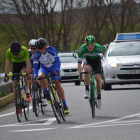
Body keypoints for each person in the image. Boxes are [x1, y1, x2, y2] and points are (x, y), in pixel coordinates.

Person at [33, 38, 69, 114]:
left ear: (45, 46)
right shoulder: (36, 54)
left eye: (41, 48)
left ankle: (65, 105)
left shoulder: (51, 50)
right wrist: (35, 75)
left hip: (53, 67)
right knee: (40, 76)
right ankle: (46, 92)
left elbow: (58, 61)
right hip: (44, 68)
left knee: (57, 84)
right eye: (38, 48)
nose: (39, 50)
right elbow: (35, 67)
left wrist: (57, 69)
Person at [77, 35, 108, 109]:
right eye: (88, 45)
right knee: (86, 69)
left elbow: (106, 46)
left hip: (97, 61)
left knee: (98, 77)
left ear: (94, 44)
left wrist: (107, 46)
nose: (90, 47)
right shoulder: (81, 49)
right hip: (88, 60)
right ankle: (87, 90)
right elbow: (79, 63)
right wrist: (80, 74)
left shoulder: (98, 47)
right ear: (85, 44)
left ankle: (99, 98)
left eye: (91, 45)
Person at [4, 41, 31, 113]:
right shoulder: (8, 52)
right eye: (14, 54)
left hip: (23, 63)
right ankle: (18, 103)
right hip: (15, 64)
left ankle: (27, 93)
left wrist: (27, 73)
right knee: (14, 83)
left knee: (24, 74)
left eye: (17, 54)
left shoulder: (24, 49)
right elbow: (7, 65)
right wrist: (6, 75)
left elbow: (28, 64)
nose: (16, 55)